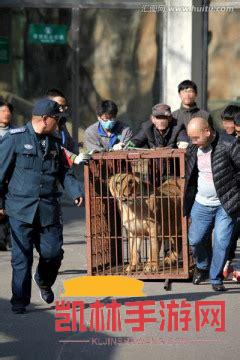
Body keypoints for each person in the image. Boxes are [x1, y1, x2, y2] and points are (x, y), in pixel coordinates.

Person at [0, 99, 84, 314]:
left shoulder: (55, 142)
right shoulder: (14, 139)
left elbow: (65, 172)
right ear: (45, 119)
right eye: (56, 119)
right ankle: (20, 300)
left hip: (48, 208)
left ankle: (43, 280)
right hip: (20, 209)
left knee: (53, 253)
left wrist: (75, 191)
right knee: (22, 257)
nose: (59, 123)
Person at [184, 117, 240, 291]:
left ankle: (215, 278)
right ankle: (202, 266)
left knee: (221, 241)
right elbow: (191, 175)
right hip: (201, 202)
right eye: (190, 138)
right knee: (195, 239)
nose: (193, 142)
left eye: (195, 138)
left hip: (226, 202)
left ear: (207, 132)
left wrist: (234, 191)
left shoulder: (229, 144)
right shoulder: (194, 148)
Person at [46, 88, 78, 153]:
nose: (61, 110)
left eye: (63, 107)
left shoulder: (62, 123)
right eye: (58, 106)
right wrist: (72, 157)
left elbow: (70, 144)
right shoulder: (43, 125)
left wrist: (78, 149)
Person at [0, 99, 13, 251]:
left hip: (11, 177)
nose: (7, 114)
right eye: (3, 111)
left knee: (9, 209)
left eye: (8, 111)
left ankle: (11, 239)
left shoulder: (16, 132)